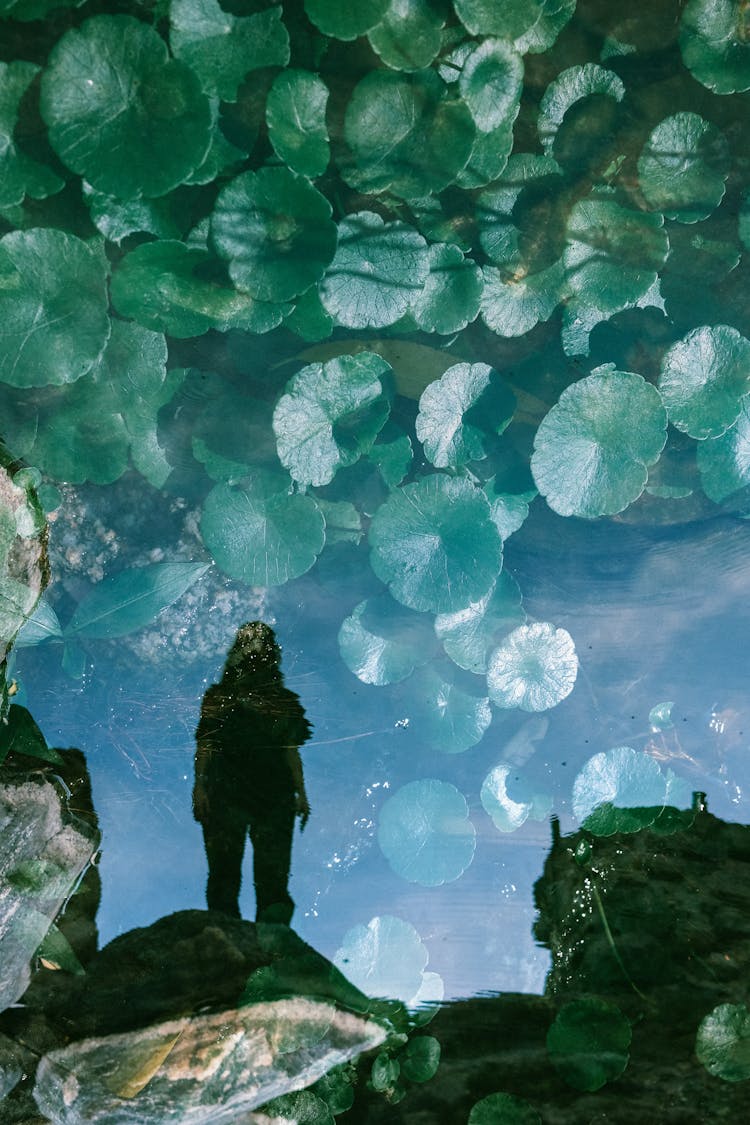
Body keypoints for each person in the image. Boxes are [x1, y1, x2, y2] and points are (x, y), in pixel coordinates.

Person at [192, 622, 311, 924]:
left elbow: (290, 750)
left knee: (270, 875)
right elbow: (206, 743)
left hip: (271, 794)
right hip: (227, 790)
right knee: (225, 871)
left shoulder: (283, 700)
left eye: (261, 645)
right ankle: (228, 935)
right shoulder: (219, 696)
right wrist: (200, 787)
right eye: (249, 644)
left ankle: (271, 939)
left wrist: (301, 793)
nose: (255, 651)